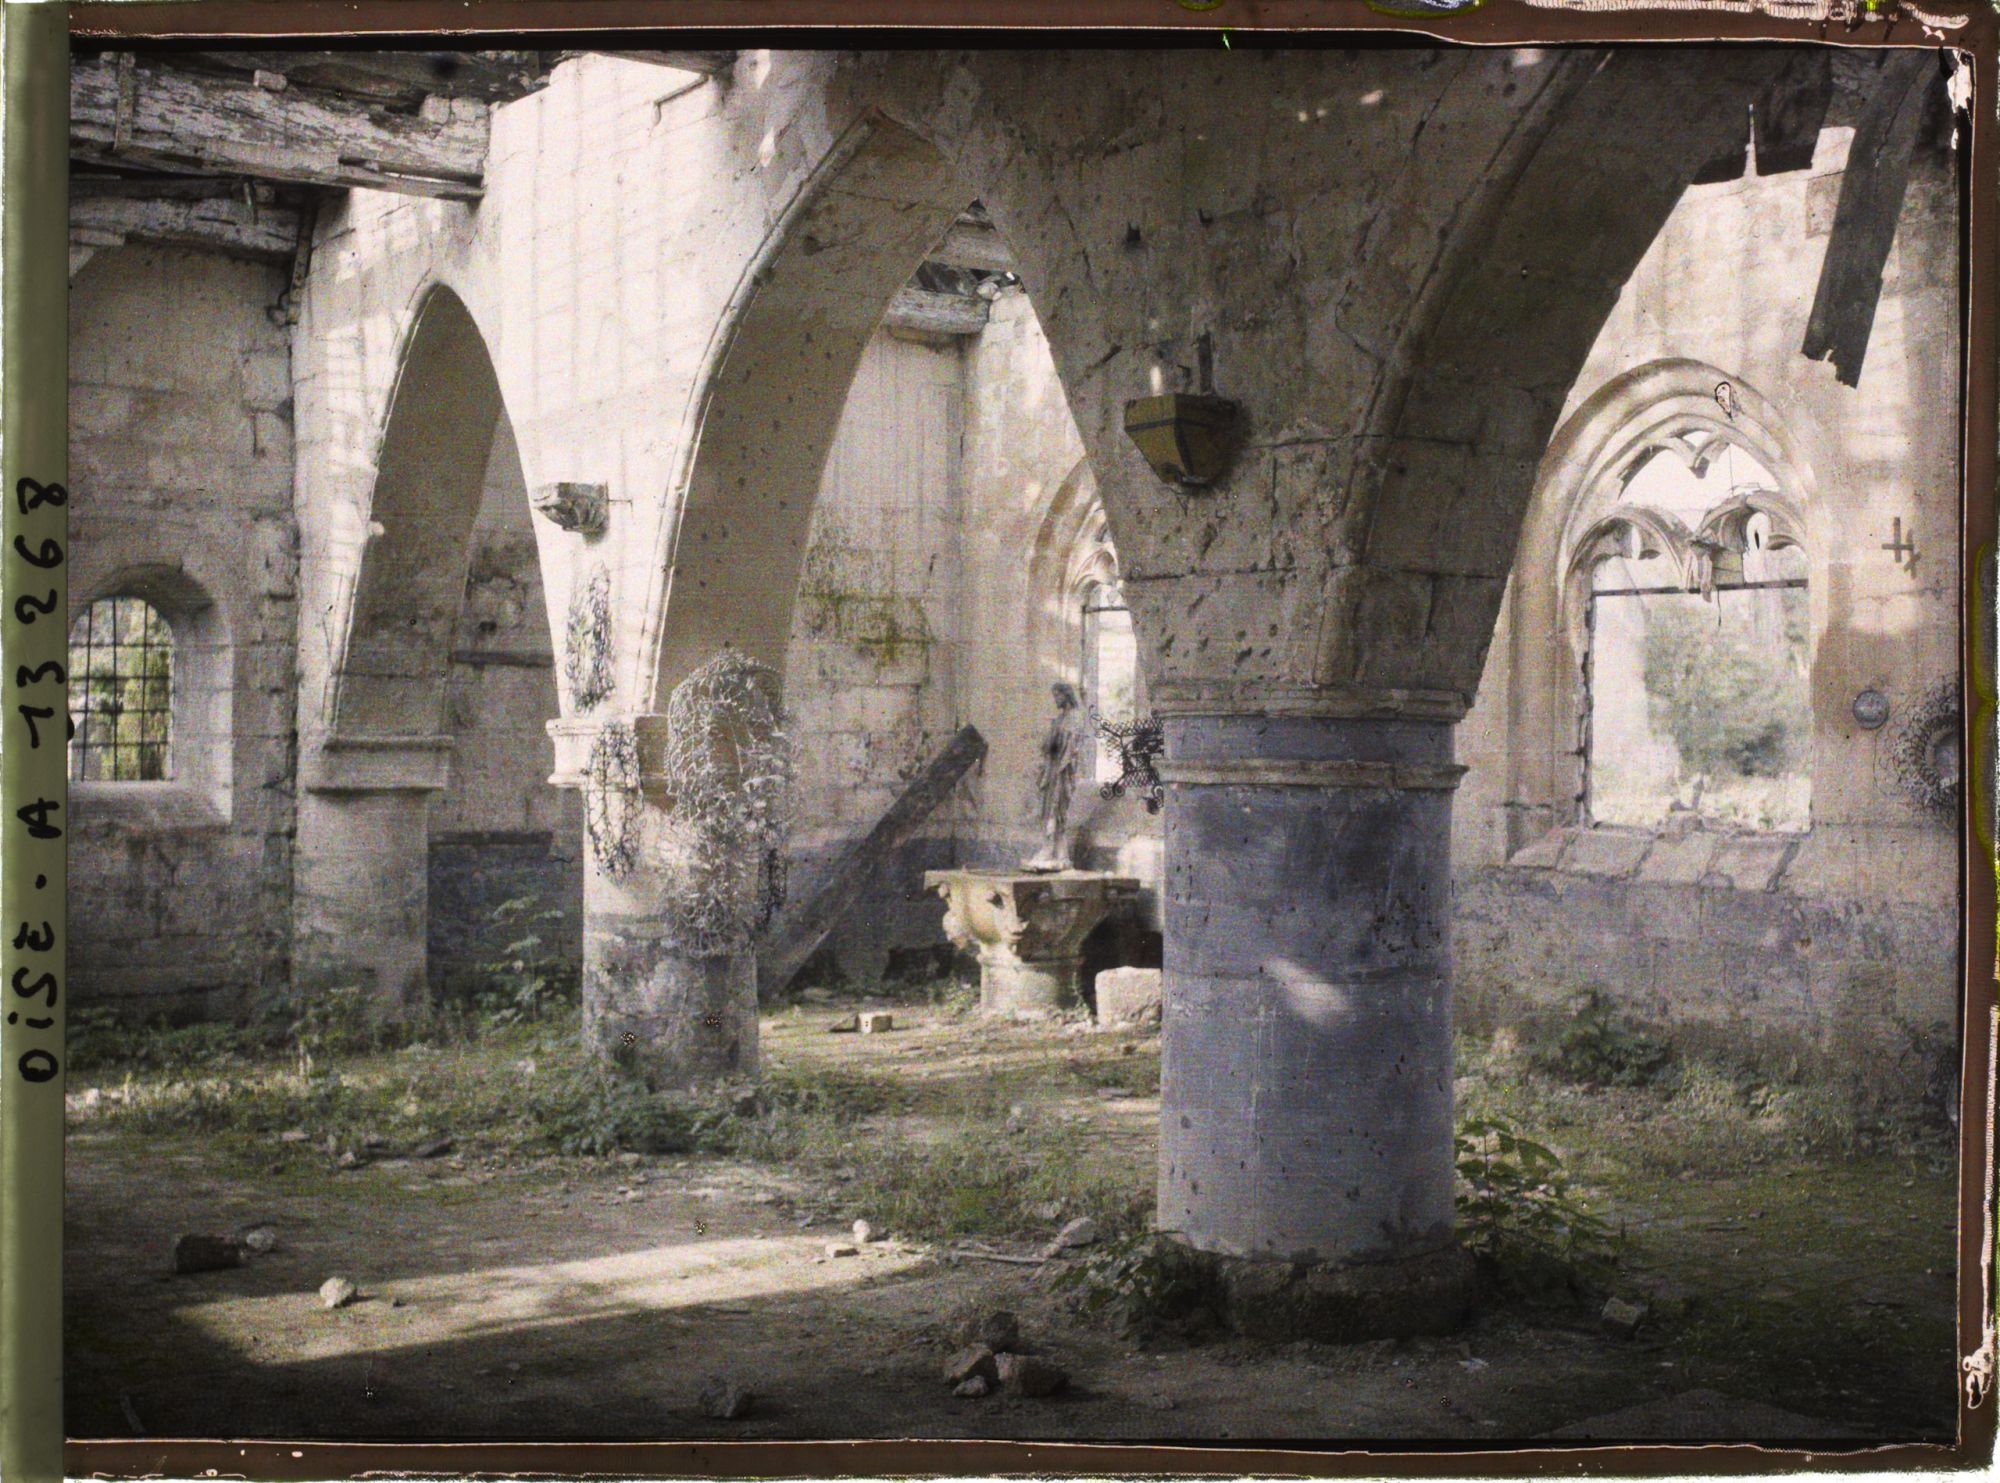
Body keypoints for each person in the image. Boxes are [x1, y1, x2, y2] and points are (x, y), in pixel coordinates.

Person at [1024, 681, 1086, 872]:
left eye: (1058, 696)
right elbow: (1048, 746)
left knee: (1056, 809)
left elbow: (1071, 746)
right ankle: (1057, 849)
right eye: (1054, 696)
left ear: (1066, 696)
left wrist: (1056, 738)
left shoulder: (1074, 718)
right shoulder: (1059, 719)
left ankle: (1052, 849)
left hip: (1062, 770)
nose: (1056, 700)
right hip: (1052, 769)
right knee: (1048, 807)